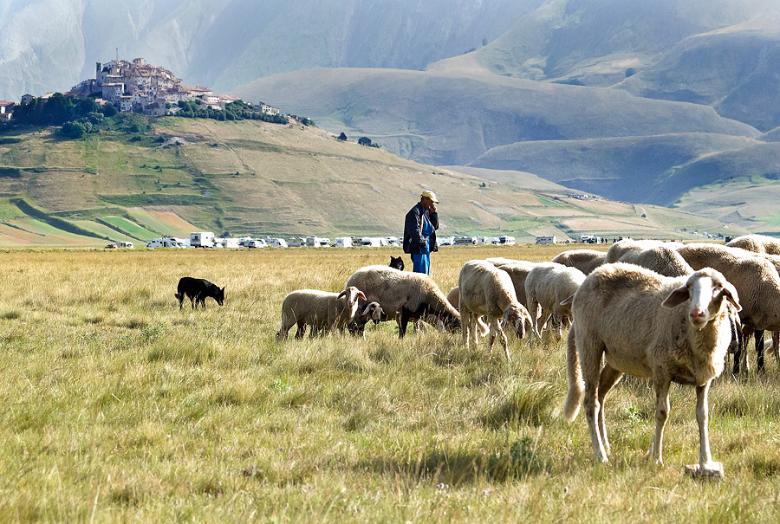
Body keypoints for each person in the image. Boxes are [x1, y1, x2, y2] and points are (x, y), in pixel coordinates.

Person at [403, 190, 439, 275]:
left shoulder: (426, 211)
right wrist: (423, 242)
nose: (432, 204)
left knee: (426, 274)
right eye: (431, 201)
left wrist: (434, 214)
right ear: (424, 199)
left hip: (425, 248)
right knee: (420, 275)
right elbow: (415, 231)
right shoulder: (415, 212)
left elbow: (434, 227)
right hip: (419, 249)